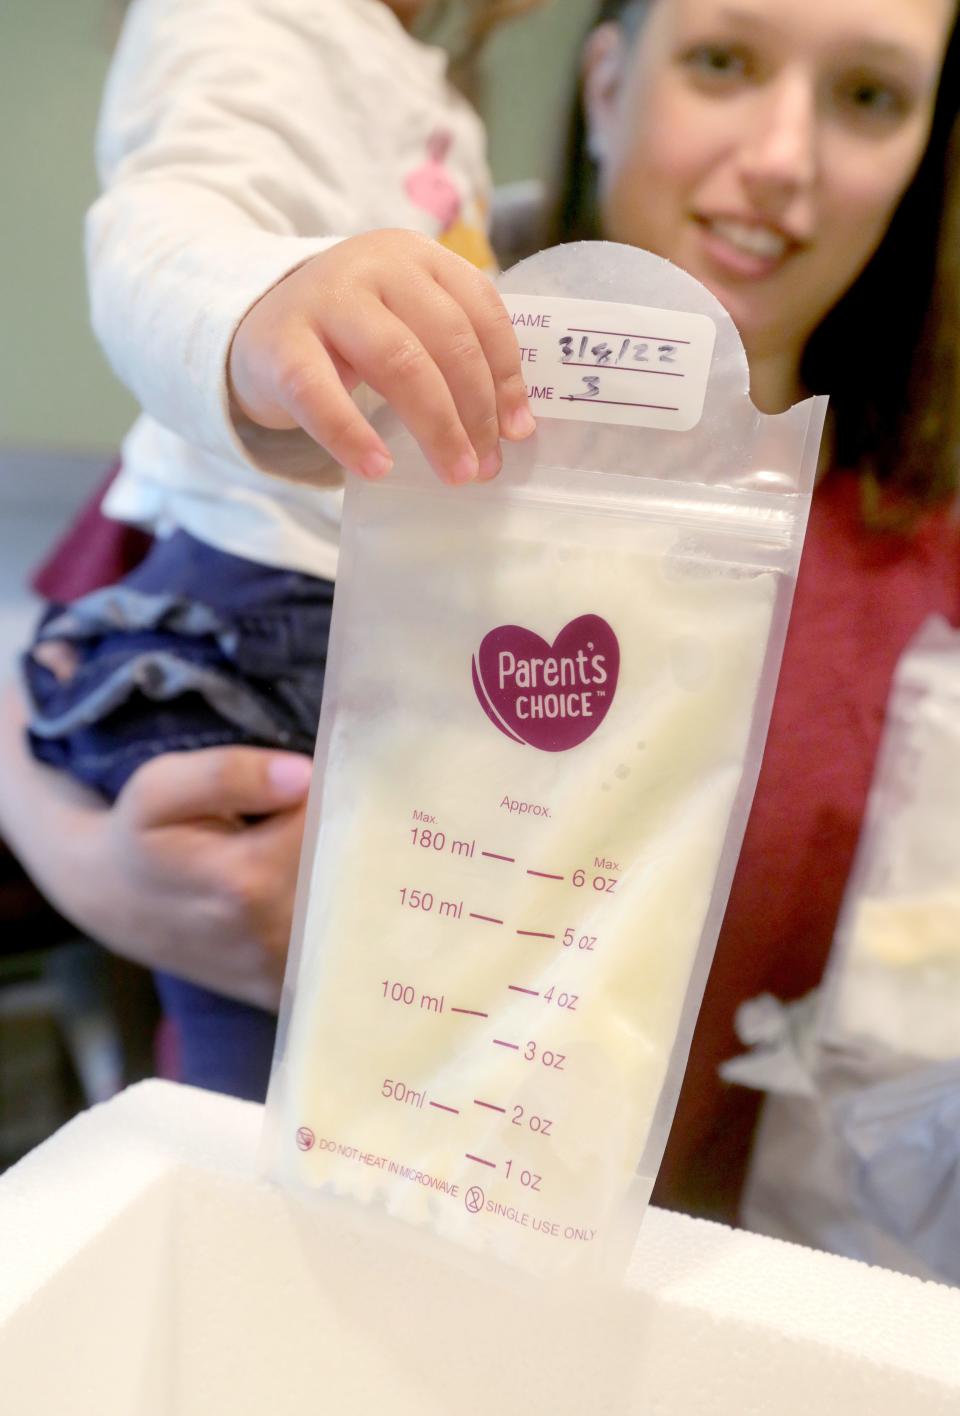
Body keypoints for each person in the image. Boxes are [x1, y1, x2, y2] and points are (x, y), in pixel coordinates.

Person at [8, 0, 544, 1102]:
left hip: (347, 613)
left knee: (366, 1074)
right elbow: (162, 227)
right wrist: (261, 311)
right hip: (271, 611)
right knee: (274, 1097)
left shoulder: (416, 83)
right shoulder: (246, 15)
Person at [560, 0, 960, 1220]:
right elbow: (62, 681)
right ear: (606, 84)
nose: (786, 159)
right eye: (724, 63)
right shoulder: (375, 417)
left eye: (869, 98)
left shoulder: (929, 570)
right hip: (296, 1263)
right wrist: (98, 867)